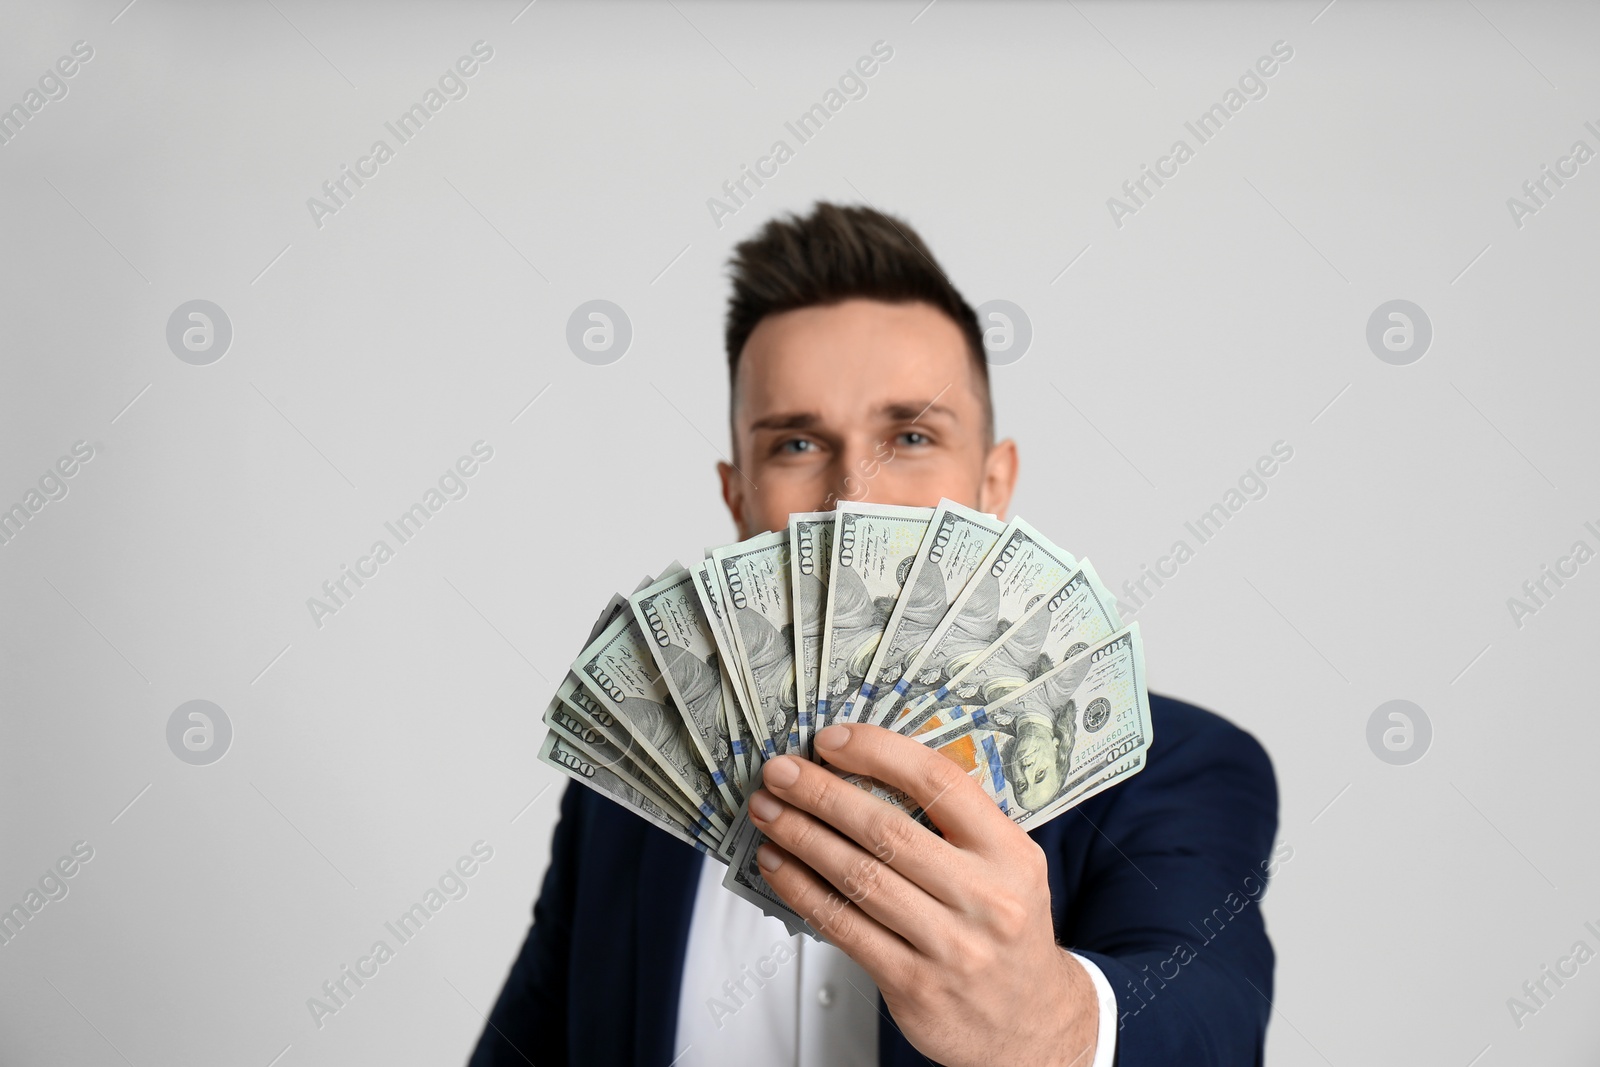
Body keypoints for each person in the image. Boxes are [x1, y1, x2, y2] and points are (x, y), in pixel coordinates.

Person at [470, 203, 1280, 1066]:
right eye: (794, 443)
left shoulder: (1177, 767)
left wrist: (1056, 1023)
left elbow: (1211, 1012)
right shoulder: (627, 795)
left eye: (912, 434)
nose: (852, 494)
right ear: (737, 496)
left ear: (993, 482)